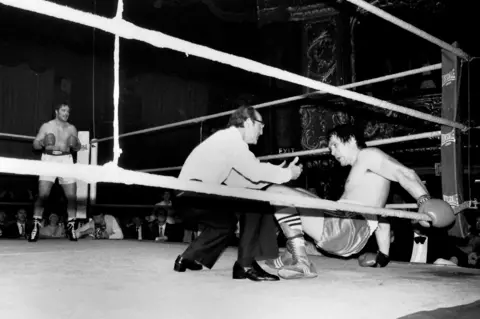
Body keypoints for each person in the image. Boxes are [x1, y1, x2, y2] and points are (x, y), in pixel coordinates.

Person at [265, 124, 455, 279]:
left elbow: (404, 173)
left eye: (334, 145)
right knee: (297, 192)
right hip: (349, 228)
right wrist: (383, 256)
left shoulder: (367, 155)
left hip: (345, 225)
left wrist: (424, 200)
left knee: (275, 191)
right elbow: (382, 218)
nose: (331, 152)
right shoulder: (367, 178)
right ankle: (291, 254)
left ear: (352, 140)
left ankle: (301, 261)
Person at [174, 105, 303, 281]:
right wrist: (288, 174)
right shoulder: (232, 140)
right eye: (261, 125)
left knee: (225, 224)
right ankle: (245, 265)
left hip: (185, 197)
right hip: (193, 195)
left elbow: (242, 182)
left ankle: (186, 258)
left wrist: (273, 175)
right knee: (256, 202)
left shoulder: (226, 142)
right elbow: (254, 173)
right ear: (249, 122)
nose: (262, 131)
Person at [29, 102, 84, 242]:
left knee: (72, 196)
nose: (66, 113)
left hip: (66, 159)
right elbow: (35, 144)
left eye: (68, 111)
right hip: (49, 158)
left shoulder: (72, 128)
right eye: (63, 110)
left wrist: (76, 144)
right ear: (56, 111)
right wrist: (42, 143)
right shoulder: (47, 126)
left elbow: (77, 148)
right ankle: (35, 226)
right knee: (43, 194)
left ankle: (71, 227)